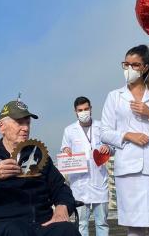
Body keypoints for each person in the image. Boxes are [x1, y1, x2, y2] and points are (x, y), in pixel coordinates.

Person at [0, 100, 81, 236]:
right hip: (5, 225)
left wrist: (62, 207)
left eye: (28, 123)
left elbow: (60, 187)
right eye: (19, 122)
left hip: (43, 224)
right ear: (1, 127)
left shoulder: (38, 155)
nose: (26, 128)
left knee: (67, 230)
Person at [100, 45, 149, 236]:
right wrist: (127, 135)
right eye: (125, 64)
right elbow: (104, 132)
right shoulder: (114, 96)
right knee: (134, 226)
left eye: (134, 65)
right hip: (129, 168)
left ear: (145, 67)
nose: (129, 69)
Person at [61, 96, 113, 236]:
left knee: (102, 223)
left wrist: (107, 148)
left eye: (86, 109)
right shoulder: (69, 130)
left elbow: (112, 147)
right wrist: (66, 151)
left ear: (91, 109)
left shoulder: (102, 127)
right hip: (79, 185)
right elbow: (64, 150)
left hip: (99, 182)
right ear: (75, 111)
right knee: (82, 224)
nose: (83, 112)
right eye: (80, 110)